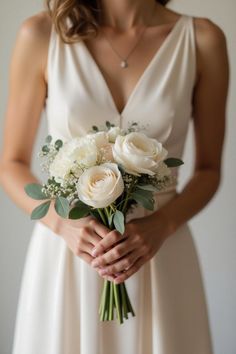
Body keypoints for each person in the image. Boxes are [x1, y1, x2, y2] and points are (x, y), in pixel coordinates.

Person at [0, 0, 229, 353]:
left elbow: (209, 170)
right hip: (69, 254)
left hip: (159, 252)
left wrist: (162, 226)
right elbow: (11, 163)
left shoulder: (202, 40)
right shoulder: (41, 35)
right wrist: (63, 225)